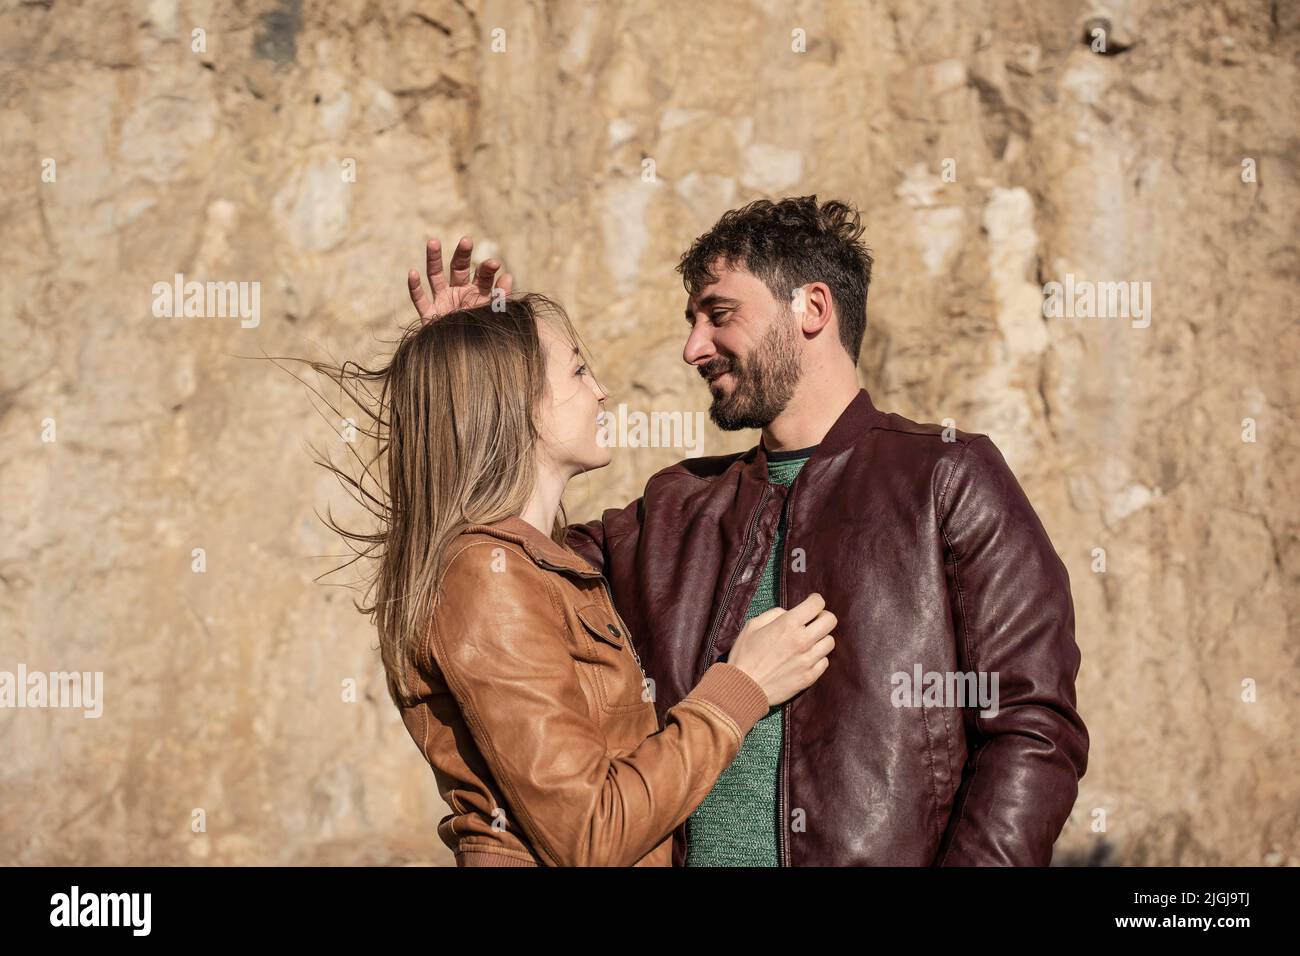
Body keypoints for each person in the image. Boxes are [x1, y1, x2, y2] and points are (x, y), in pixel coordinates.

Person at [407, 196, 1089, 866]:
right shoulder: (670, 510)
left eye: (719, 315)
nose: (693, 347)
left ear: (812, 309)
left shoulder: (948, 478)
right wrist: (472, 379)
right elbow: (498, 568)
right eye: (692, 321)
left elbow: (1033, 730)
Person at [309, 288, 836, 866]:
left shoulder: (536, 564)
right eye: (579, 370)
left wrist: (465, 343)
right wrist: (742, 685)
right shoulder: (486, 577)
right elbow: (592, 832)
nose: (601, 390)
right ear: (514, 400)